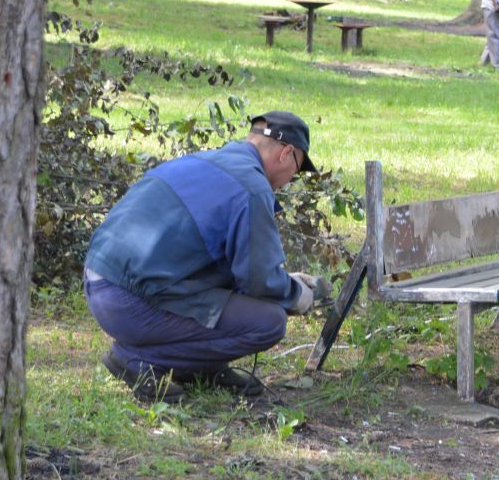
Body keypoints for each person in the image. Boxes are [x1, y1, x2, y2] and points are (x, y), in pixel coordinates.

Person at [83, 111, 327, 402]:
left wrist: (281, 280)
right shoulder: (252, 188)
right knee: (268, 322)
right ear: (287, 153)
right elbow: (258, 281)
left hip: (98, 281)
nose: (291, 180)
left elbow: (233, 264)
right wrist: (296, 294)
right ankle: (136, 360)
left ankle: (202, 367)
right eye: (297, 170)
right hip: (129, 303)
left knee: (238, 295)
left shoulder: (202, 161)